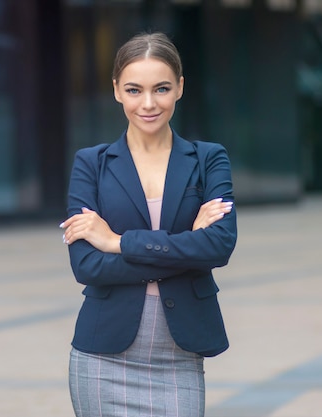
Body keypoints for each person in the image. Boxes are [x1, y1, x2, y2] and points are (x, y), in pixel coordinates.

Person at [59, 32, 237, 417]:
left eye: (161, 89)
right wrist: (187, 243)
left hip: (179, 359)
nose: (149, 103)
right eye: (134, 90)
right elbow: (87, 265)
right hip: (101, 359)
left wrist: (117, 242)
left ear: (180, 88)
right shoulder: (91, 163)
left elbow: (219, 246)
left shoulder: (208, 159)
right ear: (117, 91)